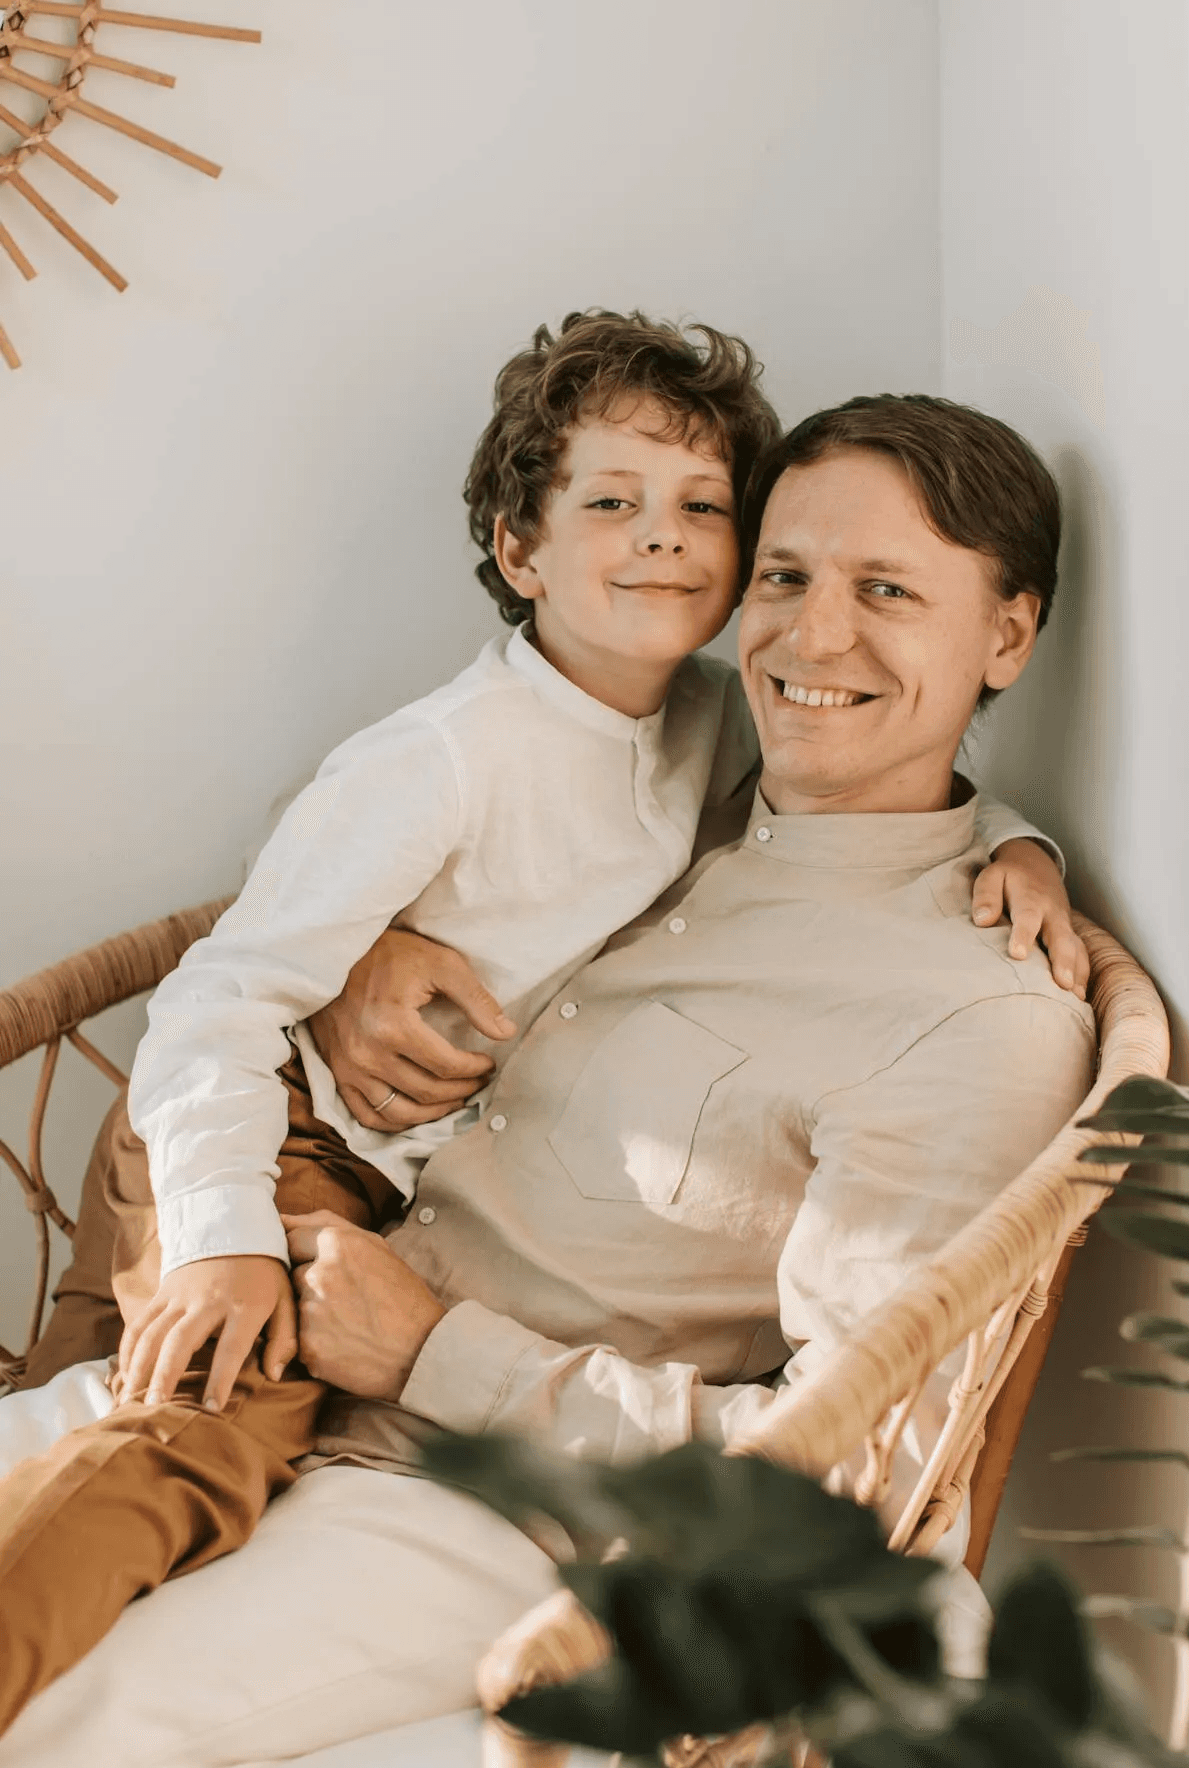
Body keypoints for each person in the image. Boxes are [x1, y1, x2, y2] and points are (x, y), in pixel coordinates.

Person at [0, 391, 1095, 1766]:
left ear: (1008, 632)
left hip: (460, 1497)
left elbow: (854, 1469)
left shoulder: (971, 1015)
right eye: (785, 576)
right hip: (276, 1338)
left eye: (887, 590)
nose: (814, 636)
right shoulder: (689, 776)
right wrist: (361, 961)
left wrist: (437, 1354)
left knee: (52, 1727)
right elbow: (430, 827)